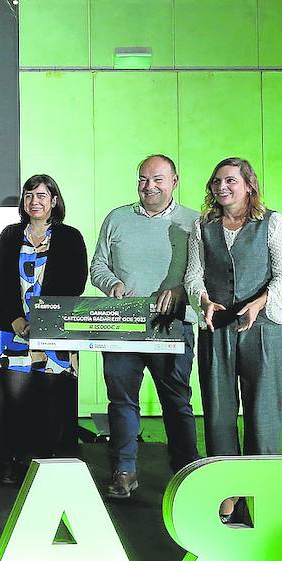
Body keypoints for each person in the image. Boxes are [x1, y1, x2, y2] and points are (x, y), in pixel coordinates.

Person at [184, 157, 282, 523]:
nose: (222, 187)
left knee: (263, 415)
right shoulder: (204, 227)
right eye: (216, 181)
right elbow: (194, 275)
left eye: (230, 180)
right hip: (217, 329)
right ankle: (227, 495)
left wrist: (259, 303)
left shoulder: (272, 224)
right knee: (218, 413)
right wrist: (202, 299)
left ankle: (259, 496)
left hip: (261, 329)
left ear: (249, 184)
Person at [90, 154, 200, 499]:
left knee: (177, 401)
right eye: (143, 179)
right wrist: (111, 285)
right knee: (121, 401)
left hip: (173, 327)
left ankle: (187, 471)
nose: (149, 186)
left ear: (175, 181)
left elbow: (202, 274)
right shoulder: (117, 218)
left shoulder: (194, 223)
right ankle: (124, 471)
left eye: (157, 179)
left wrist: (180, 290)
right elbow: (98, 265)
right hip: (123, 324)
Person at [0, 174, 88, 484]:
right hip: (13, 331)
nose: (35, 201)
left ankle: (50, 463)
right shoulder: (9, 236)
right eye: (30, 195)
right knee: (15, 401)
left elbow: (76, 283)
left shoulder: (70, 237)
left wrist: (45, 322)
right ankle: (15, 460)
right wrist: (17, 319)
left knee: (51, 401)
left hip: (55, 332)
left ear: (54, 201)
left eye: (42, 195)